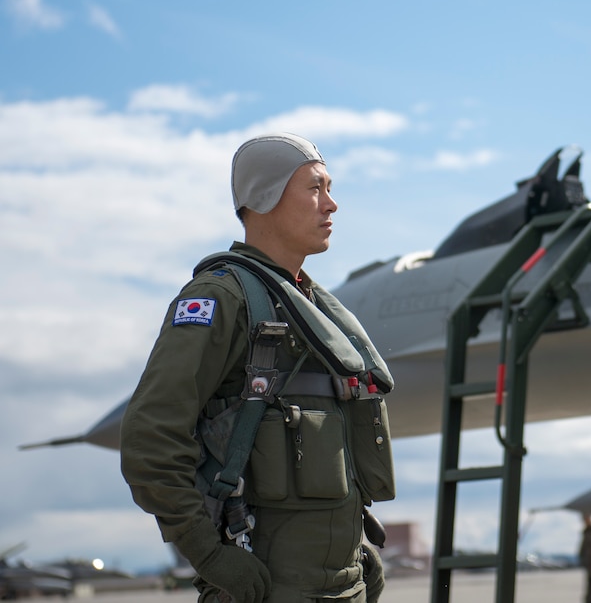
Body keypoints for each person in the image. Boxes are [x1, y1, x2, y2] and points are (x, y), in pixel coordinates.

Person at [120, 133, 394, 603]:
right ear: (265, 196)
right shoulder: (222, 299)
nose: (331, 204)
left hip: (337, 588)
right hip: (265, 590)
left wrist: (350, 551)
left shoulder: (310, 309)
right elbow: (150, 440)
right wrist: (209, 554)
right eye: (315, 188)